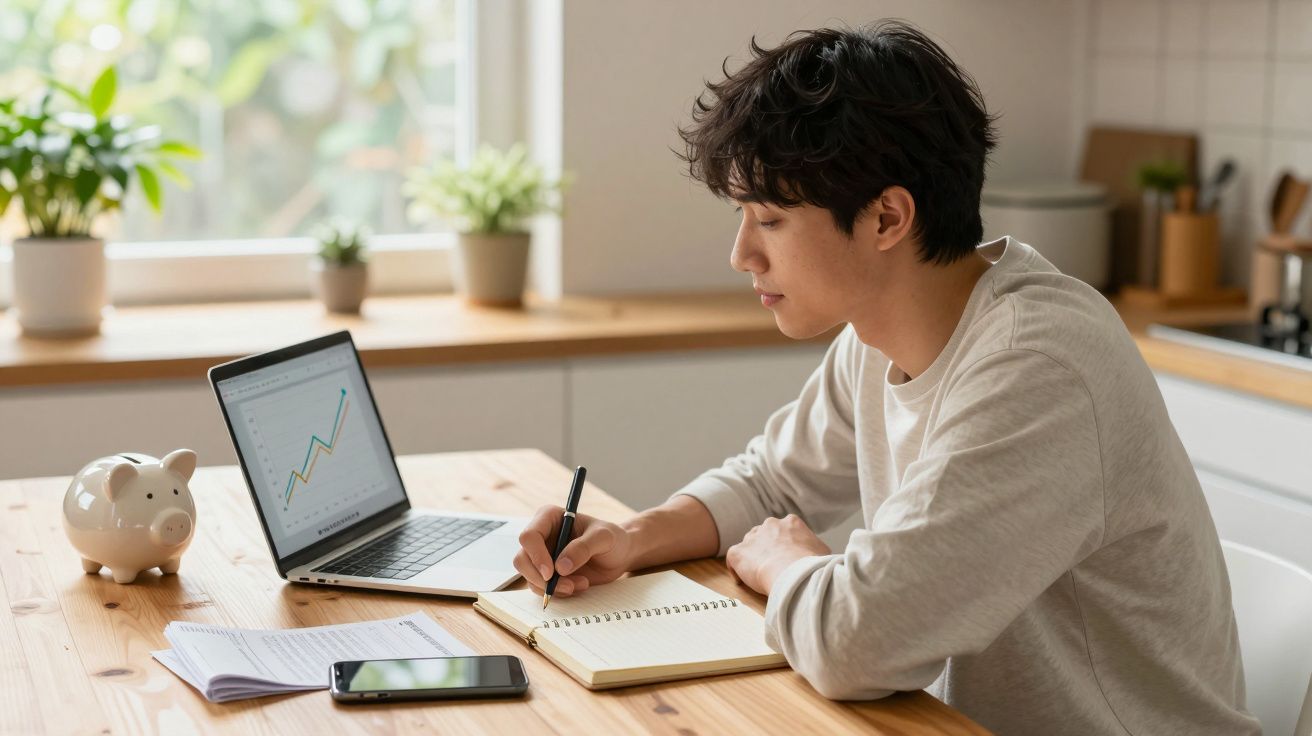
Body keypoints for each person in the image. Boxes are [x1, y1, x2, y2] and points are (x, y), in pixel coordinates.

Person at [513, 20, 1258, 735]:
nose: (741, 254)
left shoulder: (1038, 367)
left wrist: (789, 564)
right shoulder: (880, 331)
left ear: (886, 219)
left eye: (768, 219)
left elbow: (857, 643)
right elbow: (773, 484)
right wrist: (632, 537)